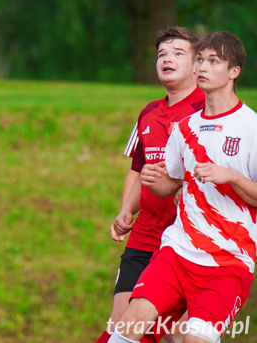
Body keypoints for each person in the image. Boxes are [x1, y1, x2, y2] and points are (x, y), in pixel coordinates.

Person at [110, 31, 257, 343]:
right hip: (173, 248)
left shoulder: (249, 127)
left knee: (188, 338)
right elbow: (164, 179)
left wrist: (230, 176)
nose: (202, 66)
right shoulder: (181, 125)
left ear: (233, 72)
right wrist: (145, 191)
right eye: (201, 59)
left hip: (227, 259)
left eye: (212, 61)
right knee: (126, 327)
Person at [97, 27, 204, 343]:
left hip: (187, 240)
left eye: (177, 53)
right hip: (144, 235)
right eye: (161, 54)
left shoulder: (206, 111)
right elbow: (137, 169)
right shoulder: (149, 113)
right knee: (120, 325)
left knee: (174, 334)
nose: (167, 59)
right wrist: (126, 210)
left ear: (198, 63)